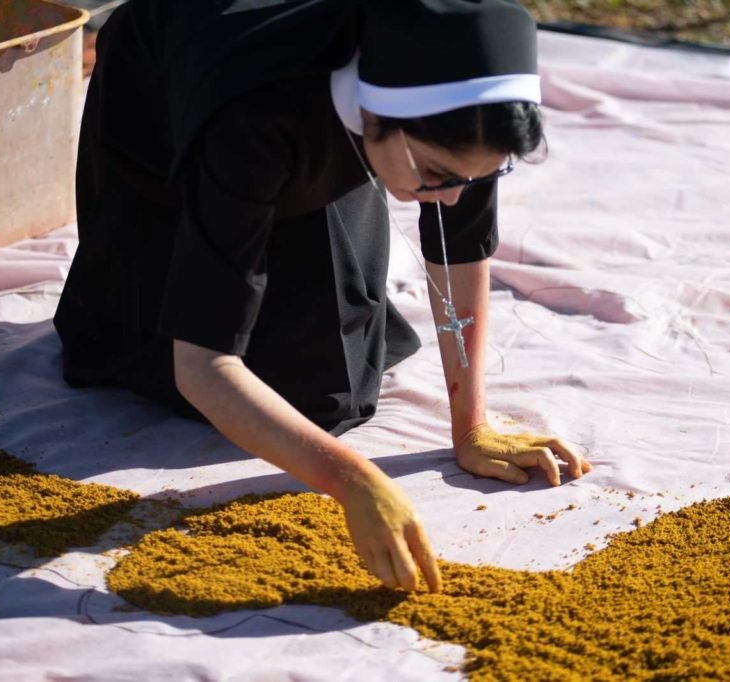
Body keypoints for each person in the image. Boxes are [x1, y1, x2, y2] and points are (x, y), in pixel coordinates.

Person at [54, 0, 592, 594]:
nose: (452, 198)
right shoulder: (251, 115)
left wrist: (471, 427)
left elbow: (460, 239)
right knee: (178, 350)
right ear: (375, 114)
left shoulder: (462, 91)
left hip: (319, 109)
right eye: (438, 175)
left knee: (327, 387)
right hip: (167, 107)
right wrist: (354, 482)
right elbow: (201, 365)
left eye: (479, 176)